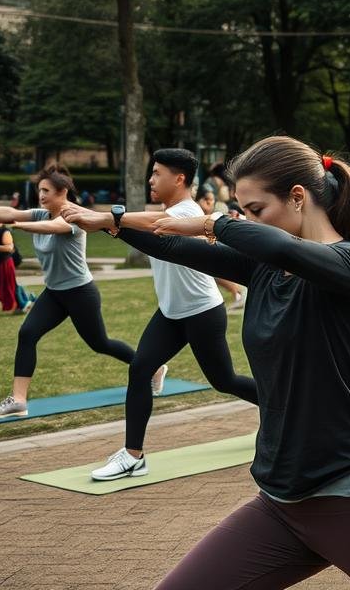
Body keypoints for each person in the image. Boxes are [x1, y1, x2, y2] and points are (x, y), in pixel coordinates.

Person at [116, 137, 350, 588]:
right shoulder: (265, 269)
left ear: (298, 197)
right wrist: (109, 221)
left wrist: (215, 222)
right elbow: (174, 248)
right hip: (281, 504)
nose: (248, 221)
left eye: (256, 210)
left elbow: (282, 249)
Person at [61, 149, 259, 481]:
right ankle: (132, 456)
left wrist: (107, 220)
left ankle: (280, 408)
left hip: (201, 313)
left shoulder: (187, 212)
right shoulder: (168, 211)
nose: (150, 179)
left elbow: (156, 228)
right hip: (171, 313)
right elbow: (145, 225)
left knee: (223, 381)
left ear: (179, 178)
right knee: (140, 371)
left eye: (156, 173)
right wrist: (103, 220)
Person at [0, 165, 141, 419]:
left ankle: (151, 369)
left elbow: (54, 228)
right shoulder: (39, 214)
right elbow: (11, 211)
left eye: (46, 190)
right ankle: (19, 400)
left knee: (99, 343)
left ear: (62, 191)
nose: (41, 195)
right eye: (39, 191)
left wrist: (17, 225)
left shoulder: (75, 216)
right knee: (27, 333)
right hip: (54, 293)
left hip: (80, 293)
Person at [196, 186, 245, 308]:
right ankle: (237, 293)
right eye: (206, 199)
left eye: (212, 199)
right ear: (198, 200)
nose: (209, 202)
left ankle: (238, 293)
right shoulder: (195, 215)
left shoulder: (218, 214)